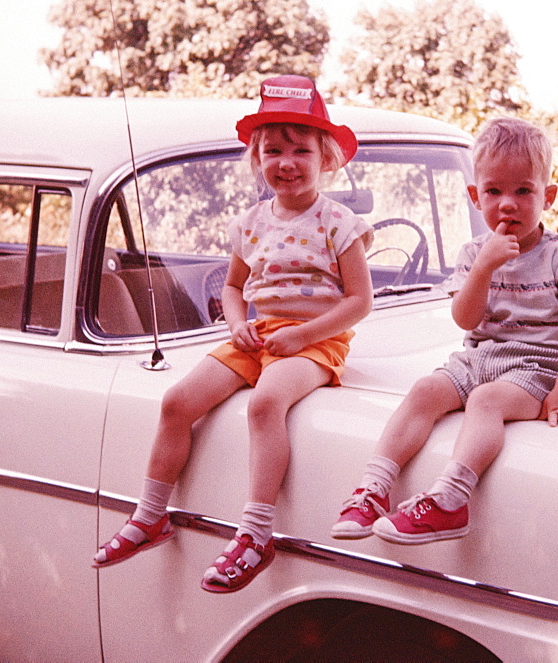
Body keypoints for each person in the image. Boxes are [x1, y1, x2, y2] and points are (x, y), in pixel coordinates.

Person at [94, 75, 374, 593]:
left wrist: (303, 335)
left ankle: (256, 531)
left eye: (300, 149)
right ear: (256, 158)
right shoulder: (249, 222)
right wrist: (237, 323)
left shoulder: (339, 222)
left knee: (265, 403)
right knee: (177, 401)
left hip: (317, 339)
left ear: (326, 158)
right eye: (273, 150)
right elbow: (232, 287)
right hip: (259, 332)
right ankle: (151, 514)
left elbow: (360, 301)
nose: (285, 161)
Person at [331, 117, 558, 545]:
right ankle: (373, 489)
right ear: (476, 197)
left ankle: (452, 500)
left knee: (485, 400)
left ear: (547, 197)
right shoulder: (474, 253)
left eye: (523, 190)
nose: (507, 204)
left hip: (537, 367)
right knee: (424, 390)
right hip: (478, 358)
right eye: (494, 191)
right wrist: (484, 267)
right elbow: (465, 319)